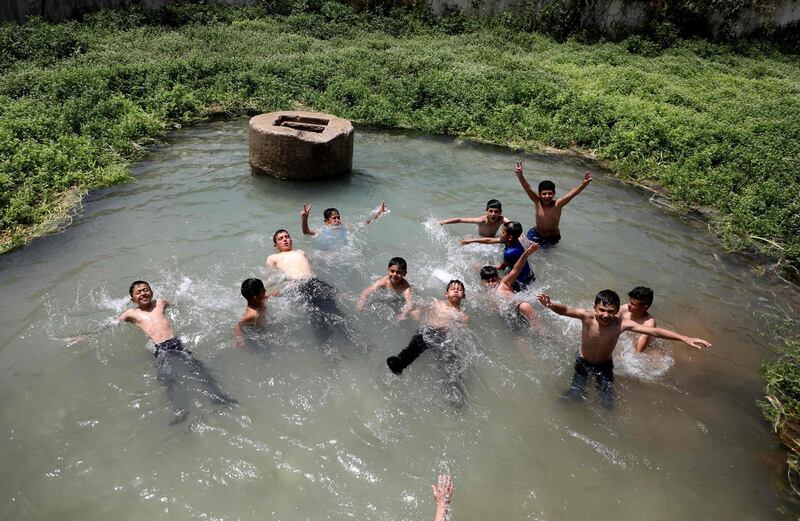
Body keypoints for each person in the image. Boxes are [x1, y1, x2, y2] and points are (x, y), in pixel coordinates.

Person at [536, 289, 711, 409]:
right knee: (575, 393)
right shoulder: (587, 316)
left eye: (610, 311)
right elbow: (565, 310)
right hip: (583, 361)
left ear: (617, 311)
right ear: (594, 307)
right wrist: (550, 305)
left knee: (606, 402)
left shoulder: (621, 324)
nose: (605, 315)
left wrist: (684, 338)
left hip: (604, 366)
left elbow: (654, 331)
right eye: (602, 310)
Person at [117, 281, 236, 422]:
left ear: (151, 292)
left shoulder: (160, 303)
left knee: (199, 369)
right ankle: (180, 410)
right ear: (132, 299)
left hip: (175, 343)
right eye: (139, 292)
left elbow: (178, 304)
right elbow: (111, 324)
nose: (143, 293)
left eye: (146, 290)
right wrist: (88, 335)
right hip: (159, 348)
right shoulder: (131, 313)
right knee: (169, 378)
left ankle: (218, 396)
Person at [266, 229, 347, 342]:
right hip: (299, 285)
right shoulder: (273, 258)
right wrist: (269, 293)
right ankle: (326, 348)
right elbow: (270, 278)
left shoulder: (300, 252)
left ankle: (349, 340)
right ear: (276, 245)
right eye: (281, 238)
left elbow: (315, 263)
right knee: (316, 316)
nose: (285, 239)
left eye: (287, 237)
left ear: (291, 240)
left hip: (315, 282)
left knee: (335, 311)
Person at [386, 280, 469, 375]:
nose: (456, 291)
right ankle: (400, 363)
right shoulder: (437, 304)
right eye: (453, 289)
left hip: (446, 338)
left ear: (464, 295)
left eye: (459, 289)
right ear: (446, 294)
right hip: (429, 331)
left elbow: (462, 333)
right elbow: (419, 311)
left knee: (450, 363)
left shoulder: (463, 316)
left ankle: (452, 383)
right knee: (415, 345)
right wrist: (405, 314)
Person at [514, 161, 592, 245]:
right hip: (536, 233)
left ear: (554, 193)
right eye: (544, 194)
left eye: (550, 193)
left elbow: (572, 194)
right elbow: (528, 188)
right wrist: (520, 176)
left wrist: (583, 184)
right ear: (539, 194)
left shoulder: (558, 204)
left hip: (552, 237)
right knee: (525, 249)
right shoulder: (537, 201)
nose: (547, 196)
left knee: (547, 256)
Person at [479, 242, 540, 328]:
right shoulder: (484, 294)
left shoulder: (503, 284)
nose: (491, 284)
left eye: (493, 280)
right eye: (487, 282)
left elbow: (516, 269)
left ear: (498, 279)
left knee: (540, 332)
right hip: (508, 318)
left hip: (520, 308)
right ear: (482, 282)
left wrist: (526, 254)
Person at [460, 221, 534, 291]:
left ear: (510, 237)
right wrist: (471, 241)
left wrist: (482, 267)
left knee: (499, 286)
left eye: (503, 232)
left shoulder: (510, 252)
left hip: (522, 281)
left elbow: (501, 267)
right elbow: (490, 240)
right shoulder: (511, 240)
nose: (501, 234)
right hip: (526, 271)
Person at [300, 201, 388, 240]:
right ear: (326, 221)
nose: (337, 220)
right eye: (334, 218)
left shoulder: (345, 227)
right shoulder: (321, 230)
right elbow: (306, 232)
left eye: (338, 217)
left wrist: (379, 213)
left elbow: (365, 223)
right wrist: (304, 219)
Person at [234, 278, 279, 346]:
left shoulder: (259, 300)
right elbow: (239, 324)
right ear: (255, 297)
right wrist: (240, 338)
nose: (265, 290)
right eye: (263, 290)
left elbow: (266, 297)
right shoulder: (253, 314)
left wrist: (273, 295)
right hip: (256, 333)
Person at [438, 199, 510, 237]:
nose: (493, 214)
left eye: (496, 212)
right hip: (481, 238)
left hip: (492, 238)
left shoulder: (501, 219)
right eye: (490, 211)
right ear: (486, 211)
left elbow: (512, 224)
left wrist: (520, 235)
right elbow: (460, 219)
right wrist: (443, 222)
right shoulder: (481, 220)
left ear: (500, 212)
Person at [618, 286, 656, 352]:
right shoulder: (625, 309)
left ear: (644, 307)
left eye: (633, 304)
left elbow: (638, 351)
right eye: (629, 301)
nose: (629, 305)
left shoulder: (649, 323)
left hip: (648, 346)